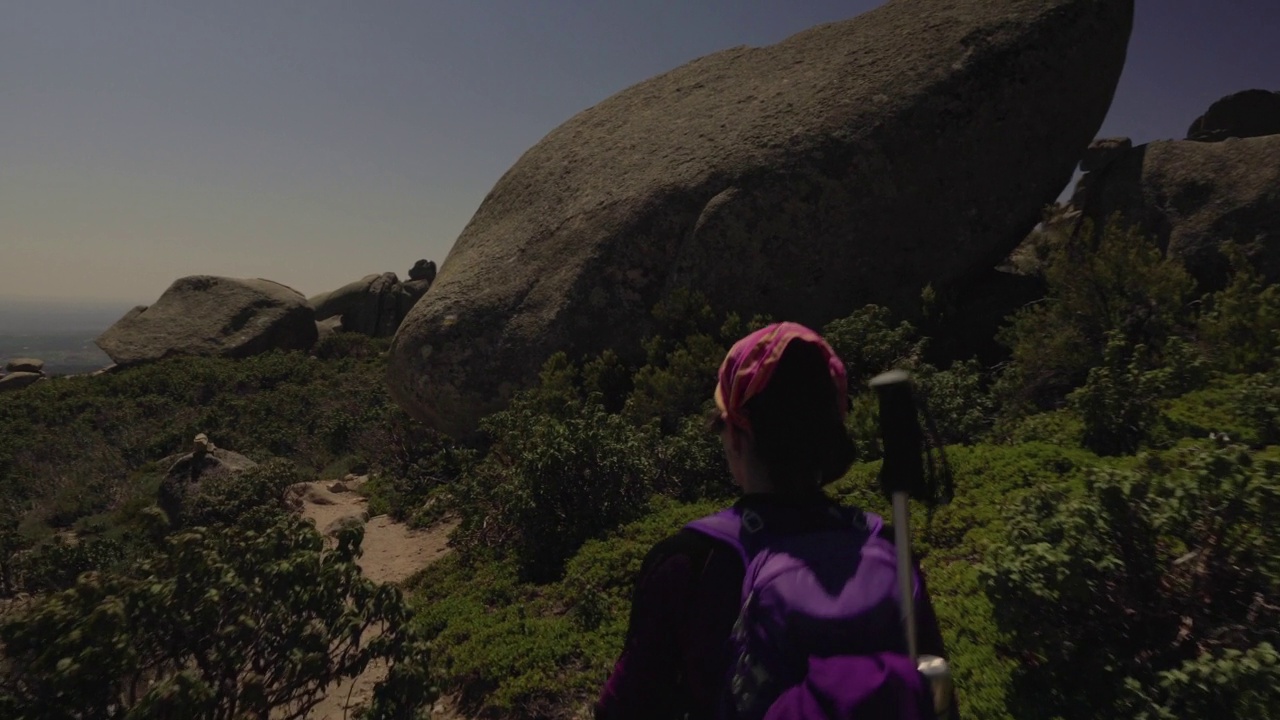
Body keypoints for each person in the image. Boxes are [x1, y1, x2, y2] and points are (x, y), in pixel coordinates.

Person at [594, 321, 954, 720]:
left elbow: (624, 707)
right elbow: (932, 691)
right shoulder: (887, 546)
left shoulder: (690, 564)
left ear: (735, 435)